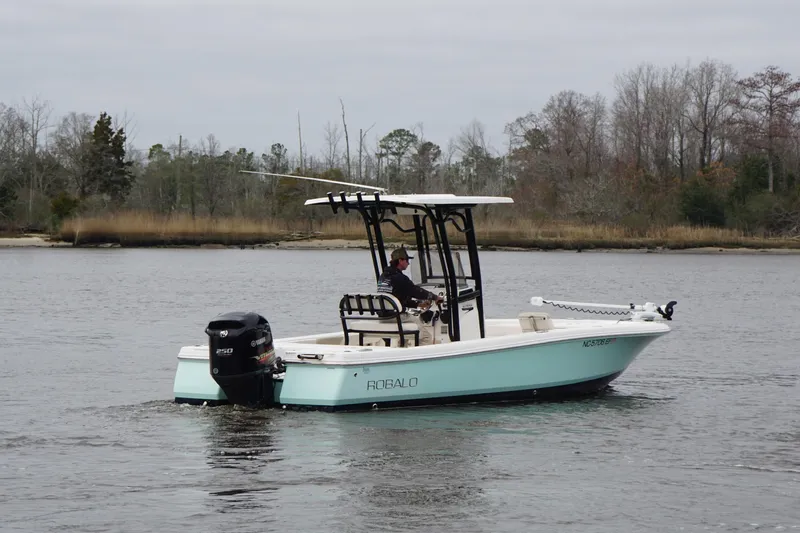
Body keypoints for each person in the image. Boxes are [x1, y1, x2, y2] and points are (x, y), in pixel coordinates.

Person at [377, 247, 444, 345]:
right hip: (396, 317)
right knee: (426, 337)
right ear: (400, 261)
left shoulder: (383, 276)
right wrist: (435, 297)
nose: (408, 263)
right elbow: (416, 291)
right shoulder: (400, 278)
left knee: (404, 339)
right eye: (407, 260)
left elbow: (397, 299)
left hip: (383, 317)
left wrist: (418, 304)